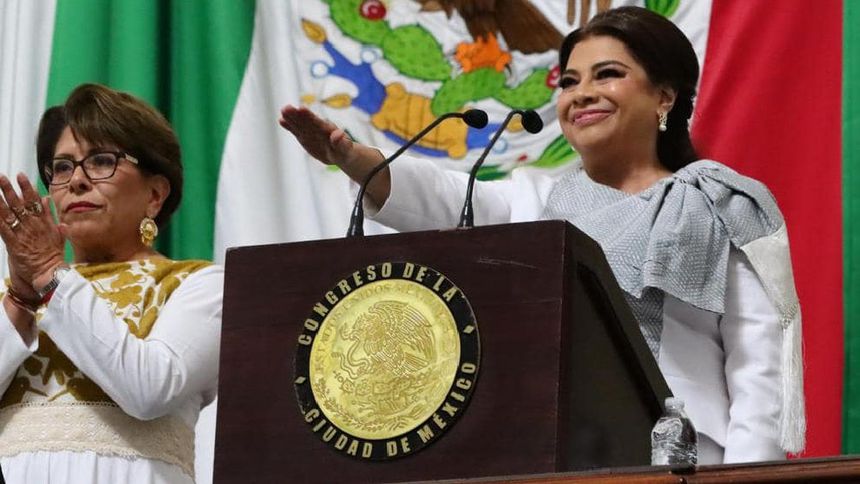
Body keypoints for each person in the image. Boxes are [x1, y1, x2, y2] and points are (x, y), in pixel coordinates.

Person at [279, 6, 804, 464]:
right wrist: (355, 159)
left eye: (608, 75)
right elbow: (443, 195)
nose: (582, 94)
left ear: (664, 96)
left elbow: (757, 363)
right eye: (569, 82)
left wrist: (744, 474)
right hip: (547, 453)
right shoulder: (537, 202)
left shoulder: (716, 200)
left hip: (677, 458)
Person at [0, 84, 223, 483]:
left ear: (155, 194)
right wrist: (20, 299)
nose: (76, 180)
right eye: (62, 167)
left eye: (101, 161)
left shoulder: (197, 285)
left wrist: (50, 272)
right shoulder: (12, 298)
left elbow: (149, 390)